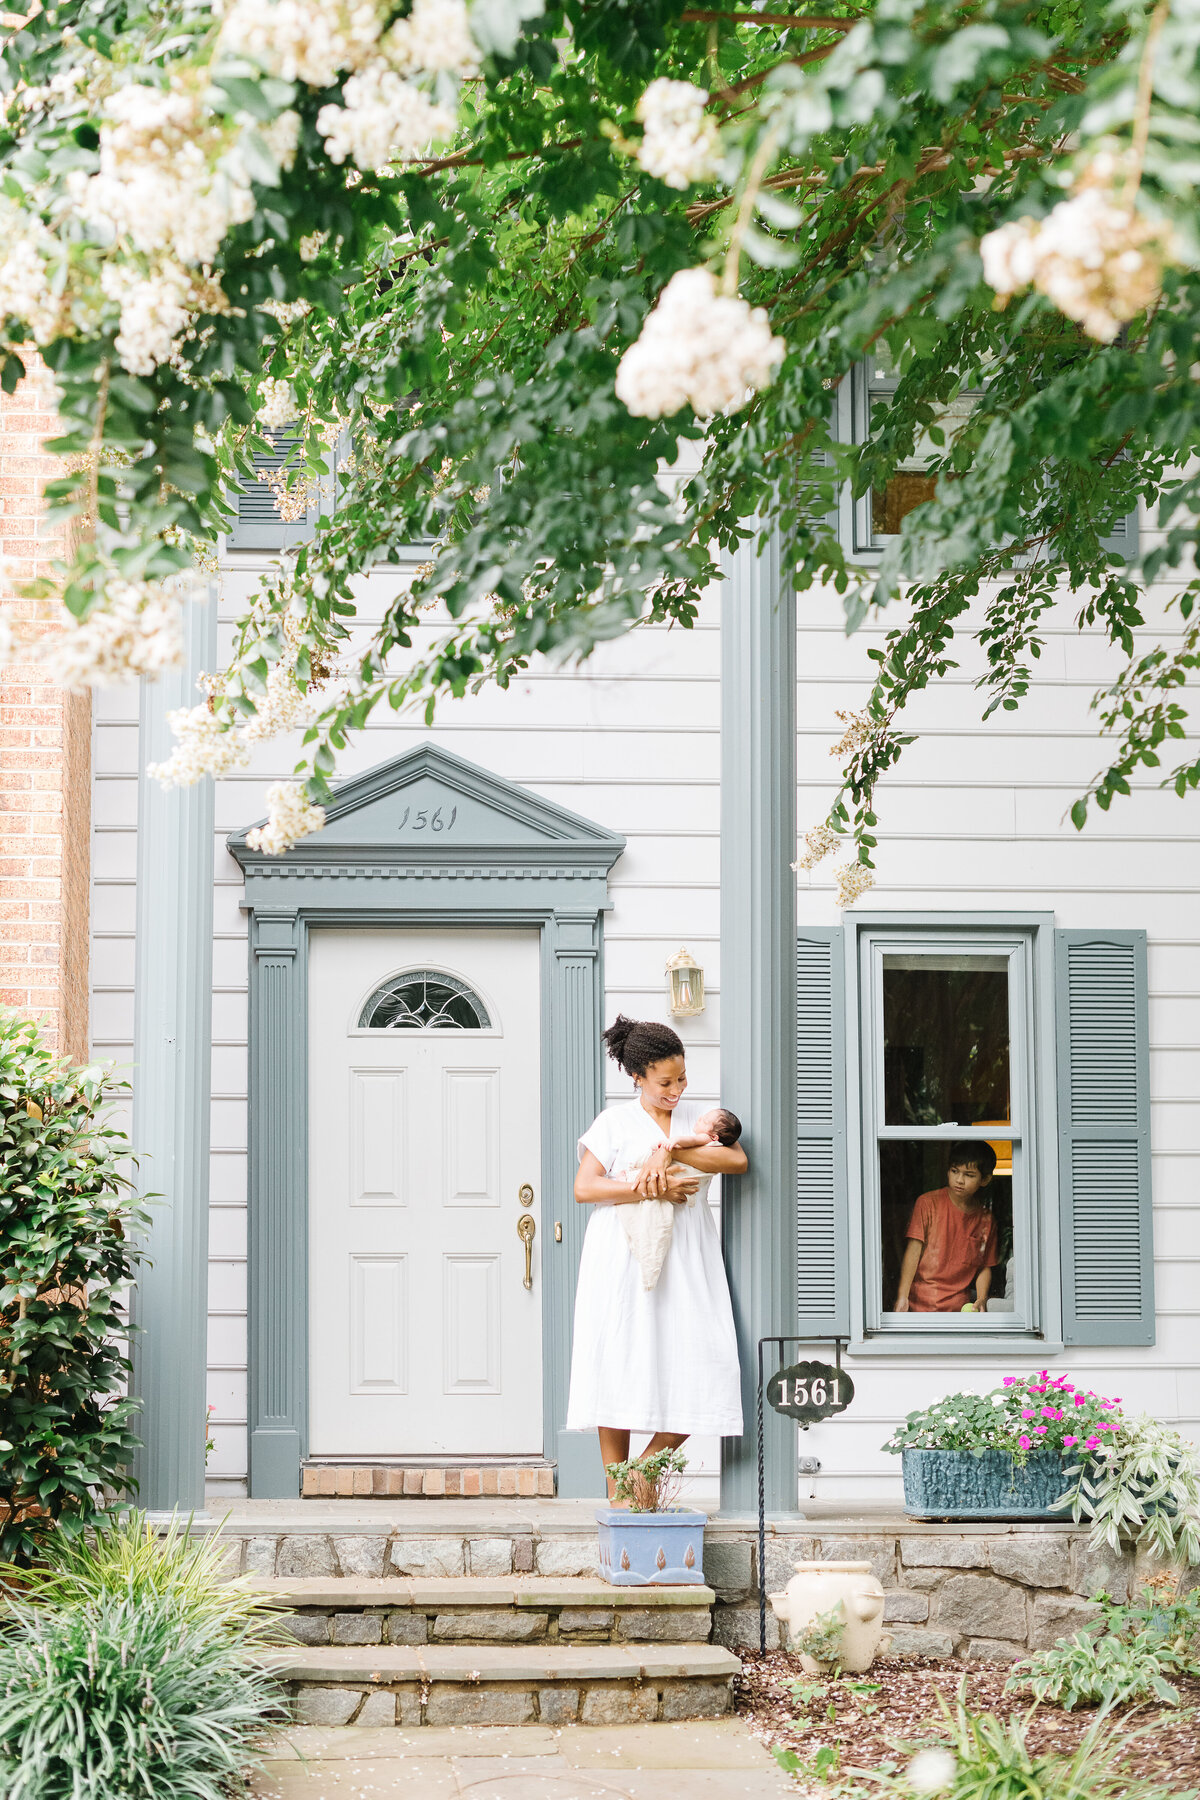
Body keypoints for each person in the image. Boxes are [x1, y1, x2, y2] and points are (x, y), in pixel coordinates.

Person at [566, 1017, 747, 1498]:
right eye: (665, 1082)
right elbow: (586, 1187)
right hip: (621, 1256)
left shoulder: (701, 1122)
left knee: (702, 1364)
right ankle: (617, 1496)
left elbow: (736, 1161)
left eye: (682, 1078)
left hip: (687, 1258)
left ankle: (641, 1474)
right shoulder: (613, 1123)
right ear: (637, 1079)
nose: (677, 1089)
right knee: (619, 1363)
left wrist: (666, 1153)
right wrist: (650, 1187)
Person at [616, 1108, 743, 1291]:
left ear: (714, 1136)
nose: (700, 1118)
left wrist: (673, 1144)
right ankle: (631, 1175)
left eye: (705, 1120)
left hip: (684, 1185)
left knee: (654, 1175)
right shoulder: (717, 1144)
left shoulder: (705, 1139)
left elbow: (691, 1141)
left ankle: (629, 1176)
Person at [893, 1140, 999, 1314]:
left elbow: (984, 1266)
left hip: (959, 1310)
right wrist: (902, 1296)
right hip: (918, 1305)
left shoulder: (986, 1219)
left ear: (985, 1179)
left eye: (969, 1175)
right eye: (954, 1171)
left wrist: (981, 1299)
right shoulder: (927, 1203)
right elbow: (914, 1250)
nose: (959, 1180)